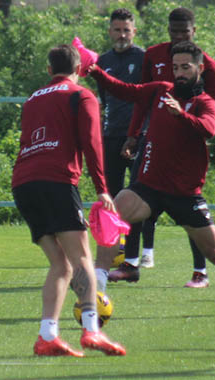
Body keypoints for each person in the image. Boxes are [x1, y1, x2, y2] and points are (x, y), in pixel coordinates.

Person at [88, 40, 215, 317]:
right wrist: (96, 72)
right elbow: (126, 91)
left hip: (184, 194)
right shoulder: (161, 91)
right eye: (175, 67)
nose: (179, 73)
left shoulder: (204, 102)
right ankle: (96, 294)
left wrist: (182, 115)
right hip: (148, 186)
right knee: (112, 216)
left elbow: (209, 129)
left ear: (199, 68)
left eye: (185, 67)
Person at [12, 44, 125, 356]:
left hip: (23, 183)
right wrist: (102, 188)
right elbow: (91, 142)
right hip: (56, 180)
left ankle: (47, 336)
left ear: (49, 70)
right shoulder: (81, 94)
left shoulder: (31, 99)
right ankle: (92, 330)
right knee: (82, 259)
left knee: (60, 265)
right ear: (79, 69)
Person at [107, 7, 215, 288]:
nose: (178, 37)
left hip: (187, 141)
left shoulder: (206, 64)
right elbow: (143, 98)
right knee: (137, 194)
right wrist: (134, 134)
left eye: (183, 32)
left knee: (188, 207)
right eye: (173, 32)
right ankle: (131, 264)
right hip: (154, 139)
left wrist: (194, 116)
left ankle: (200, 271)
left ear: (194, 32)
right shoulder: (154, 55)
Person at [95, 8, 151, 267]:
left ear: (134, 32)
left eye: (126, 30)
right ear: (109, 31)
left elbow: (149, 97)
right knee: (113, 196)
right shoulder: (102, 61)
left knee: (138, 196)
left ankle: (139, 254)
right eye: (117, 30)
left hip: (139, 137)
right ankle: (116, 252)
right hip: (111, 136)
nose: (121, 35)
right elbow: (104, 99)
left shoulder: (143, 58)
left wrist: (140, 132)